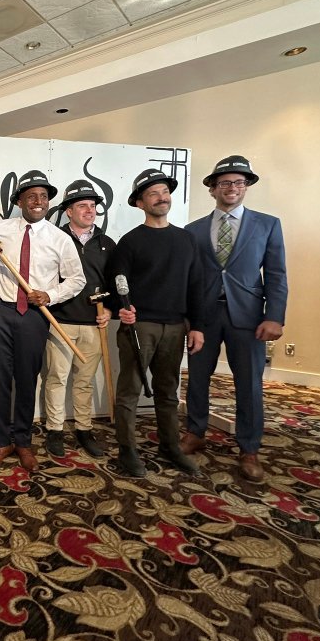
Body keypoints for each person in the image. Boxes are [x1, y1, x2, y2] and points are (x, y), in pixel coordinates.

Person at [181, 156, 288, 482]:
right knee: (197, 378)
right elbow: (188, 279)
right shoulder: (193, 230)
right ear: (213, 189)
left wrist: (274, 317)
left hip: (249, 317)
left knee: (249, 384)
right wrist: (189, 319)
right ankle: (195, 432)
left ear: (246, 187)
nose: (232, 188)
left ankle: (249, 448)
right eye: (225, 182)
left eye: (239, 182)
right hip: (204, 317)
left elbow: (276, 274)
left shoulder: (267, 225)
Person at [0, 170, 85, 473]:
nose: (38, 201)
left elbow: (77, 279)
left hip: (34, 316)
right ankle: (2, 441)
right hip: (0, 311)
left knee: (27, 379)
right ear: (19, 201)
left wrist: (50, 295)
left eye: (43, 196)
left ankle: (23, 441)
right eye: (31, 196)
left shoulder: (60, 239)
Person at [107, 168, 205, 478]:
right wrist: (120, 309)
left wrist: (197, 325)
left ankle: (170, 446)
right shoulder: (130, 242)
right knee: (129, 391)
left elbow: (196, 286)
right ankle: (127, 450)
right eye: (153, 194)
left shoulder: (186, 240)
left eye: (164, 192)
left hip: (175, 328)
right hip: (140, 326)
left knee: (168, 391)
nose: (161, 198)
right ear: (140, 203)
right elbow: (116, 284)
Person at [43, 180, 116, 459]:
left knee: (84, 381)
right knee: (56, 378)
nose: (89, 210)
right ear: (69, 211)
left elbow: (115, 282)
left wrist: (109, 310)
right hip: (60, 321)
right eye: (82, 205)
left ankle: (84, 429)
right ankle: (54, 430)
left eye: (92, 205)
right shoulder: (54, 238)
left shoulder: (107, 244)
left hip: (93, 324)